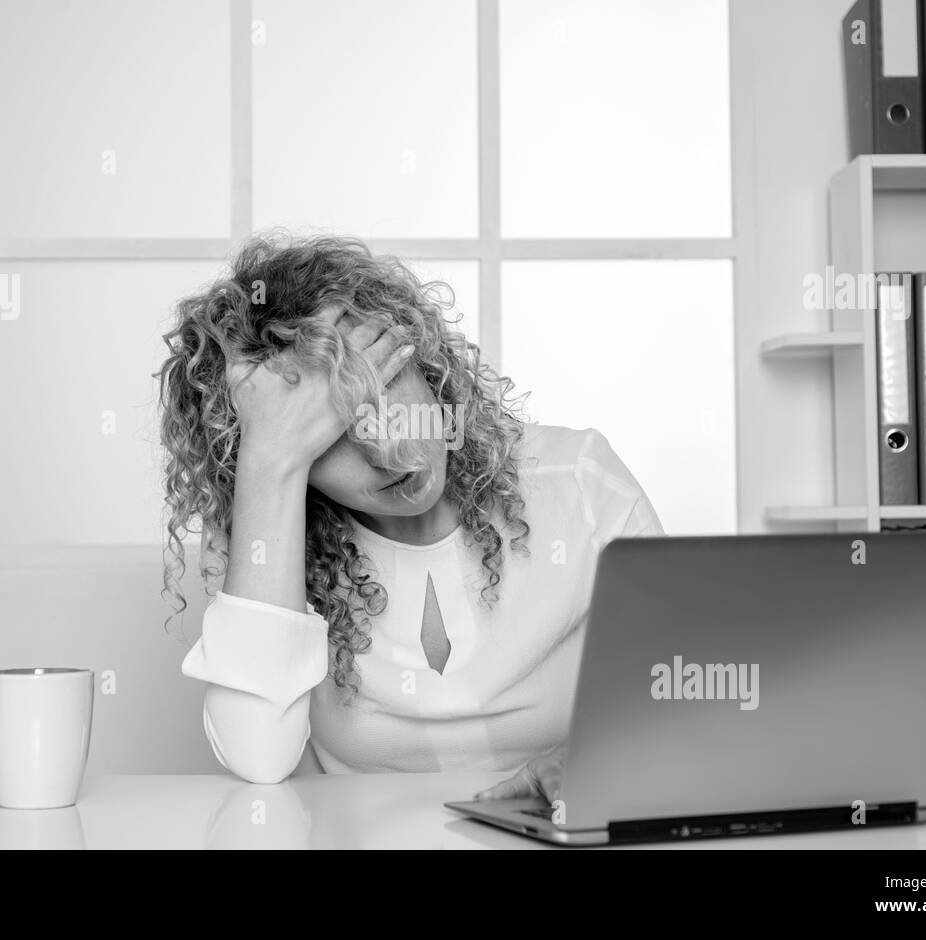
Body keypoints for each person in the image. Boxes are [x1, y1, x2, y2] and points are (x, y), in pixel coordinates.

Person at [157, 233, 663, 803]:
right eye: (326, 431)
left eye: (387, 386)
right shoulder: (267, 531)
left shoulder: (580, 483)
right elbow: (257, 756)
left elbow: (686, 695)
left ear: (426, 364)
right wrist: (270, 466)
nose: (389, 451)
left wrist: (592, 765)